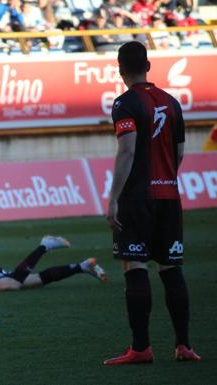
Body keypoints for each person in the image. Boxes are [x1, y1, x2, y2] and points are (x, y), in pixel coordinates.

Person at [103, 41, 201, 365]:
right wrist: (165, 179)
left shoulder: (125, 104)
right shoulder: (172, 103)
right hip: (169, 196)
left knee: (136, 266)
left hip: (137, 199)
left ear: (120, 69)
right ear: (148, 65)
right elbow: (180, 153)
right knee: (171, 269)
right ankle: (184, 345)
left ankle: (141, 348)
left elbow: (127, 151)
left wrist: (114, 198)